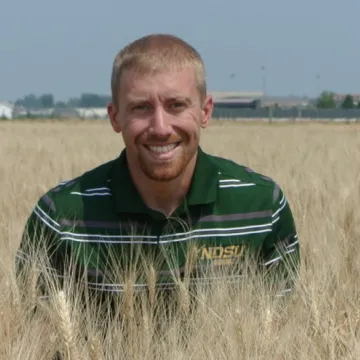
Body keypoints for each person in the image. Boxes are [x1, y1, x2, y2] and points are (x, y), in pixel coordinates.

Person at [16, 33, 300, 301]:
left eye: (176, 105)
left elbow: (284, 330)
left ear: (205, 111)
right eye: (141, 107)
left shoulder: (262, 206)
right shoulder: (60, 215)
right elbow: (31, 333)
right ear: (115, 118)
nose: (161, 128)